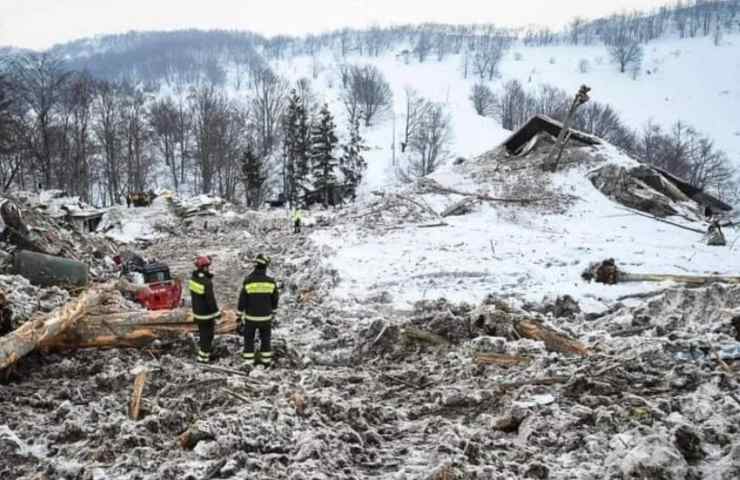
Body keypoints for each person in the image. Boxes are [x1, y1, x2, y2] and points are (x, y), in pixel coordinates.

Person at [237, 254, 279, 368]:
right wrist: (274, 311)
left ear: (255, 266)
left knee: (249, 339)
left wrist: (239, 314)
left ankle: (248, 362)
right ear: (265, 267)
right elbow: (275, 299)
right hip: (266, 318)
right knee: (265, 339)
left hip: (251, 318)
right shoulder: (271, 282)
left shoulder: (248, 281)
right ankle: (266, 361)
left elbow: (242, 299)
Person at [189, 256, 221, 363]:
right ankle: (205, 358)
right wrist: (217, 313)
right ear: (204, 267)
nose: (208, 268)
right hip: (207, 315)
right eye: (207, 266)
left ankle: (201, 356)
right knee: (208, 336)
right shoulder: (206, 282)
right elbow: (210, 300)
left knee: (203, 335)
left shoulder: (193, 279)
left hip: (197, 313)